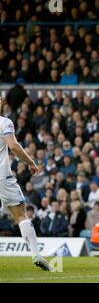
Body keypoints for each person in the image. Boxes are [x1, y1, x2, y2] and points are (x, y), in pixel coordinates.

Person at [0, 97, 50, 270]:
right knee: (21, 215)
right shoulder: (4, 122)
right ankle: (36, 254)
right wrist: (31, 162)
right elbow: (13, 146)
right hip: (2, 178)